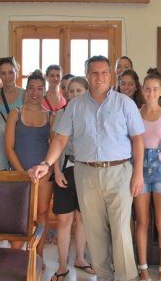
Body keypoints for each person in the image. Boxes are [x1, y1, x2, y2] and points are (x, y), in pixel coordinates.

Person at [29, 55, 145, 281]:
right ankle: (103, 276)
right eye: (94, 72)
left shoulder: (125, 103)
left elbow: (138, 140)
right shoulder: (75, 106)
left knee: (121, 231)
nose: (99, 77)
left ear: (110, 75)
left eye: (104, 72)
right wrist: (46, 164)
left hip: (119, 173)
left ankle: (126, 278)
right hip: (85, 174)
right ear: (87, 75)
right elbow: (61, 139)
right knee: (94, 231)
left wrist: (138, 173)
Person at [134, 69, 161, 281]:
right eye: (147, 89)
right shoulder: (134, 113)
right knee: (142, 221)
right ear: (143, 91)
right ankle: (142, 269)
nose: (151, 93)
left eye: (155, 89)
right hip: (140, 171)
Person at [51, 76, 95, 280]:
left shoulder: (94, 113)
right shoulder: (61, 113)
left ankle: (80, 258)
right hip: (65, 171)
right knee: (64, 219)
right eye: (71, 91)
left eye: (79, 90)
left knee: (83, 218)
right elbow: (56, 144)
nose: (75, 94)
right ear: (66, 94)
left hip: (88, 171)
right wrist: (57, 172)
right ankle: (61, 265)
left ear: (86, 91)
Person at [5, 70, 52, 253]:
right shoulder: (15, 114)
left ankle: (37, 254)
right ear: (26, 90)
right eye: (31, 88)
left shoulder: (50, 116)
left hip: (44, 176)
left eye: (40, 89)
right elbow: (9, 147)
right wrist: (22, 173)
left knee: (41, 214)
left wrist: (47, 172)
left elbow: (53, 146)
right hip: (19, 174)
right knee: (20, 216)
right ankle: (16, 257)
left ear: (44, 91)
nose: (35, 93)